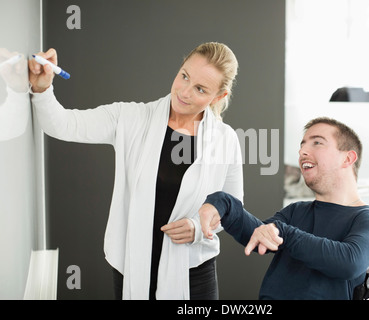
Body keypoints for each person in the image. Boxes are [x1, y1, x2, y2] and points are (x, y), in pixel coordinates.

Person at [29, 42, 244, 300]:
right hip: (131, 266)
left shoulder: (225, 139)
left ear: (218, 97)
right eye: (184, 76)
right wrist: (42, 88)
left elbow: (232, 206)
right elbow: (62, 125)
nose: (184, 92)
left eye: (200, 89)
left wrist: (199, 228)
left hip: (193, 272)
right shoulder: (131, 118)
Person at [198, 117, 369, 299]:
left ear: (348, 159)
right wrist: (223, 203)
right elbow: (258, 235)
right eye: (302, 145)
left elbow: (350, 262)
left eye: (317, 143)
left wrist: (285, 233)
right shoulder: (296, 211)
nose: (302, 151)